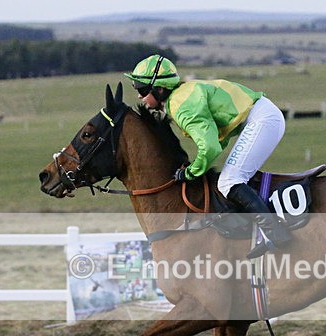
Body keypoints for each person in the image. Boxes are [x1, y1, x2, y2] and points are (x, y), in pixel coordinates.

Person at [124, 54, 290, 258]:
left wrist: (191, 172)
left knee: (229, 181)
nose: (139, 97)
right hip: (262, 116)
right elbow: (218, 138)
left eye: (141, 90)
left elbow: (210, 147)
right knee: (233, 178)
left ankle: (276, 234)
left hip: (262, 119)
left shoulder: (181, 106)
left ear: (160, 89)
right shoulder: (181, 96)